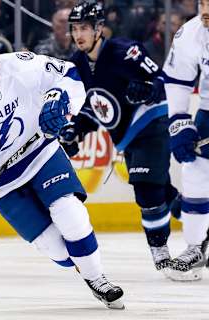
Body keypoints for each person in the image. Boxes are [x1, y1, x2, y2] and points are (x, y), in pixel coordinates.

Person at [0, 18, 124, 309]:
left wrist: (59, 99)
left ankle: (98, 279)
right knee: (56, 249)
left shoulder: (20, 65)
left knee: (70, 213)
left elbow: (69, 75)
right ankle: (85, 267)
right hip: (0, 184)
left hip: (42, 155)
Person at [64, 1, 181, 276]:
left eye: (85, 28)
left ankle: (160, 253)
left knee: (145, 188)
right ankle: (203, 231)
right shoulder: (77, 63)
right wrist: (76, 129)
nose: (79, 34)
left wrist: (149, 88)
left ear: (99, 28)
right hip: (127, 136)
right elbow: (91, 106)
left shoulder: (124, 51)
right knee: (161, 191)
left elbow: (162, 80)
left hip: (151, 122)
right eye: (75, 29)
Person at [162, 0, 209, 281]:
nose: (206, 9)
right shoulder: (191, 33)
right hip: (208, 108)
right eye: (202, 1)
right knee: (195, 172)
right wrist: (179, 120)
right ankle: (195, 249)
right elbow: (178, 80)